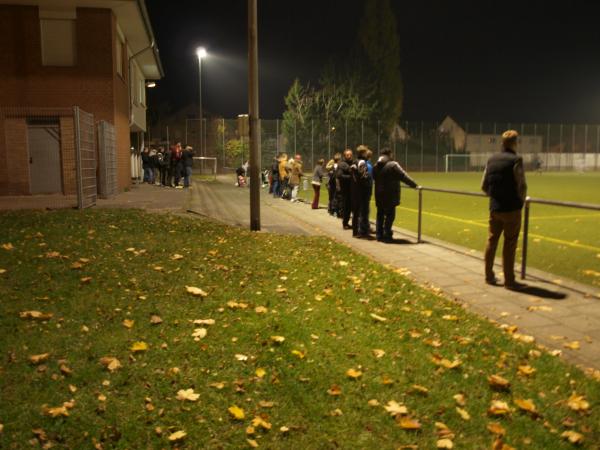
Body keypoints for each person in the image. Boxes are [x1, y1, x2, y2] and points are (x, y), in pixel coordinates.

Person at [481, 130, 527, 290]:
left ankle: (488, 275)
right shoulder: (516, 160)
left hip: (495, 208)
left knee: (491, 241)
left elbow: (484, 186)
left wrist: (494, 197)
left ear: (502, 143)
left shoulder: (491, 160)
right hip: (512, 209)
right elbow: (521, 184)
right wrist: (520, 202)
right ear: (515, 143)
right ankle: (509, 280)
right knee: (510, 244)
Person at [373, 148, 418, 243]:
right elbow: (403, 176)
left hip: (379, 194)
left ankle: (379, 235)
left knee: (380, 215)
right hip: (390, 194)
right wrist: (415, 185)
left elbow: (374, 178)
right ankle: (387, 234)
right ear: (389, 154)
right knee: (390, 215)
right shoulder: (393, 165)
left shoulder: (376, 165)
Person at [352, 146, 374, 238]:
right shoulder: (361, 162)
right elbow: (364, 176)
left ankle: (356, 231)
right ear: (363, 153)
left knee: (357, 211)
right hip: (363, 190)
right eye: (365, 152)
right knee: (363, 211)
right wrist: (369, 178)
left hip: (357, 189)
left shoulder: (355, 161)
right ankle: (363, 232)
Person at [336, 149, 354, 229]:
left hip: (352, 188)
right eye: (347, 155)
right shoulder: (342, 164)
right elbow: (339, 176)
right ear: (344, 156)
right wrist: (350, 178)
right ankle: (345, 223)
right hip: (345, 189)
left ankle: (354, 224)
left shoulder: (353, 163)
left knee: (353, 207)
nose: (349, 156)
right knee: (347, 207)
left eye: (350, 155)